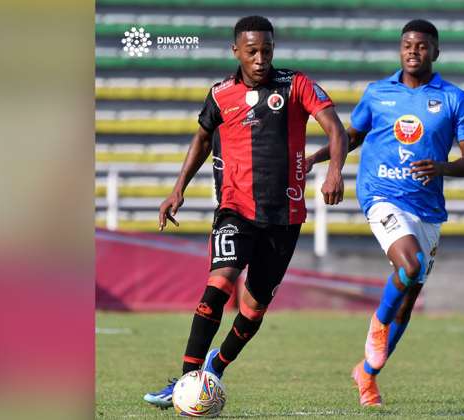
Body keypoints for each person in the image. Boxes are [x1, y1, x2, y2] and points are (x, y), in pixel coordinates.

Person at [143, 15, 348, 409]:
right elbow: (203, 137)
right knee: (218, 287)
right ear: (236, 51)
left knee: (253, 310)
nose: (260, 59)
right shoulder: (220, 95)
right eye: (252, 51)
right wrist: (177, 189)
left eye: (267, 51)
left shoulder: (296, 85)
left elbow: (336, 129)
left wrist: (334, 170)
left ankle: (213, 369)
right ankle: (186, 381)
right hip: (234, 210)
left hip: (285, 217)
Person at [306, 19, 464, 407]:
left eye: (421, 46)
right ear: (399, 50)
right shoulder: (377, 92)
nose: (413, 51)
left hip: (428, 209)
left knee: (409, 295)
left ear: (435, 51)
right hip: (381, 195)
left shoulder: (455, 99)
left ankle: (367, 375)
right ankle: (378, 325)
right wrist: (320, 159)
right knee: (410, 264)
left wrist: (441, 167)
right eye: (406, 45)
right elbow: (353, 136)